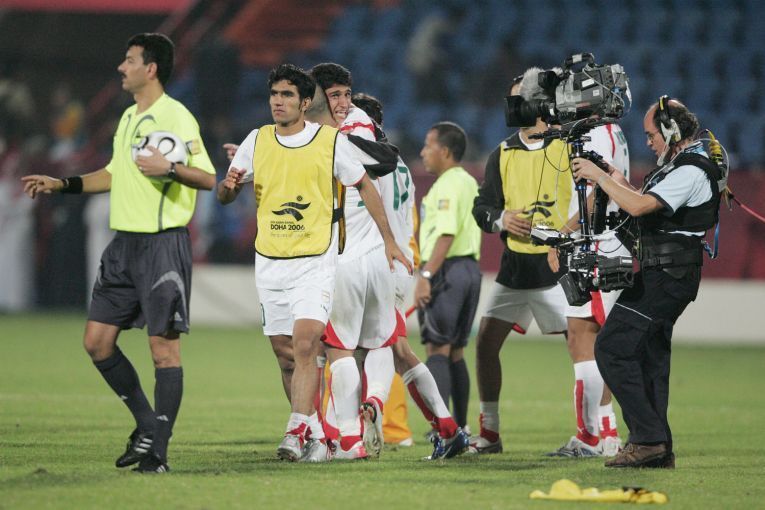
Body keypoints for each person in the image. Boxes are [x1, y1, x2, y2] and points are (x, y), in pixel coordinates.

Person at [21, 33, 216, 473]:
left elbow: (207, 177)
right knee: (96, 342)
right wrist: (62, 184)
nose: (120, 68)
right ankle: (146, 422)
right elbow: (114, 173)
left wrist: (169, 168)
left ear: (151, 68)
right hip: (123, 246)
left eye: (129, 60)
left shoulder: (176, 116)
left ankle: (158, 453)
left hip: (162, 245)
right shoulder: (129, 116)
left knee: (163, 352)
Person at [217, 63, 410, 463]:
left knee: (307, 343)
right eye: (274, 94)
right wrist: (228, 188)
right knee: (285, 354)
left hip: (316, 260)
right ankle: (318, 434)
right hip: (271, 261)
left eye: (287, 95)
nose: (278, 101)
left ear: (305, 102)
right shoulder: (257, 140)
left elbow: (365, 185)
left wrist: (389, 240)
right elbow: (226, 192)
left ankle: (296, 432)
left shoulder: (330, 141)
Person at [572, 96, 721, 468]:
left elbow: (639, 207)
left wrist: (599, 178)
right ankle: (658, 446)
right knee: (650, 359)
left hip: (668, 275)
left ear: (671, 131)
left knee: (612, 348)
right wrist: (614, 177)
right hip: (665, 272)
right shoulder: (680, 166)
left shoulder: (690, 170)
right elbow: (642, 200)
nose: (648, 142)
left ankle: (648, 440)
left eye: (651, 134)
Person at [354, 93, 470, 460]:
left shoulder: (362, 160)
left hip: (378, 262)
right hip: (399, 263)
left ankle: (354, 422)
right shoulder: (398, 163)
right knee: (396, 349)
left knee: (354, 347)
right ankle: (447, 428)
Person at [469, 69, 571, 454]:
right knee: (485, 343)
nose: (512, 106)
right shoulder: (503, 152)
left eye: (519, 99)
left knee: (586, 347)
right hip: (515, 268)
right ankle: (490, 433)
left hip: (559, 266)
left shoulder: (567, 146)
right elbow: (482, 207)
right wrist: (501, 219)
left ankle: (600, 431)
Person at [545, 122, 629, 458]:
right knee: (594, 341)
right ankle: (605, 434)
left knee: (584, 339)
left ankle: (594, 436)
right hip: (608, 243)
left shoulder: (593, 134)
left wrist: (563, 233)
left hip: (596, 245)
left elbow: (601, 188)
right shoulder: (612, 130)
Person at [416, 121, 482, 438]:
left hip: (446, 271)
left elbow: (446, 233)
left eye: (428, 146)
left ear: (444, 151)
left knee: (437, 349)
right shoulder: (468, 181)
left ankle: (443, 430)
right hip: (470, 270)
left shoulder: (445, 186)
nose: (422, 152)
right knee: (455, 351)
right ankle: (460, 425)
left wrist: (426, 274)